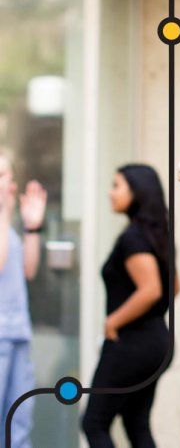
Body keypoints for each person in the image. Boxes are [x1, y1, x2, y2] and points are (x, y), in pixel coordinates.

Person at [81, 164, 179, 448]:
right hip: (156, 342)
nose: (110, 193)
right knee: (136, 423)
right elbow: (175, 287)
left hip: (132, 343)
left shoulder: (134, 237)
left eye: (116, 186)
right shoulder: (158, 235)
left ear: (137, 192)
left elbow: (151, 291)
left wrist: (113, 321)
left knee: (94, 423)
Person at [0, 150, 47, 448]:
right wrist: (4, 213)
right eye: (2, 176)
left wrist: (32, 227)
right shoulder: (3, 223)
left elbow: (28, 270)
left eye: (8, 176)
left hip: (17, 332)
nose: (9, 184)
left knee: (18, 422)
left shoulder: (9, 228)